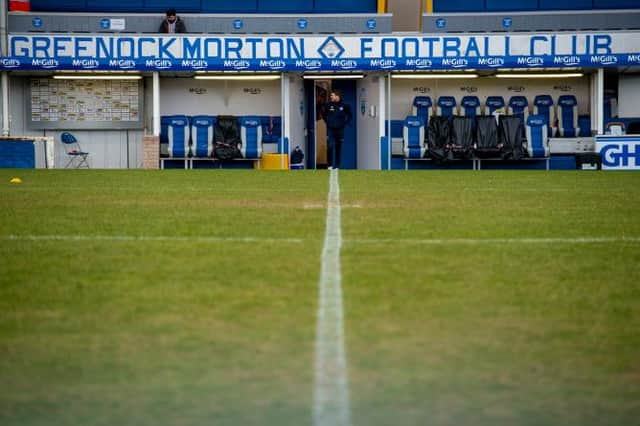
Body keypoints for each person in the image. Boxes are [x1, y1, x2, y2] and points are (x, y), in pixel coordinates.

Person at [322, 90, 352, 170]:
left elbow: (350, 115)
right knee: (330, 146)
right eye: (331, 95)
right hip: (331, 129)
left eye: (332, 95)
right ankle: (330, 165)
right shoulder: (328, 105)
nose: (331, 97)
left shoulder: (345, 105)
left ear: (337, 96)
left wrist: (345, 123)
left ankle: (337, 165)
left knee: (338, 147)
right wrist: (327, 122)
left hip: (340, 130)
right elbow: (323, 114)